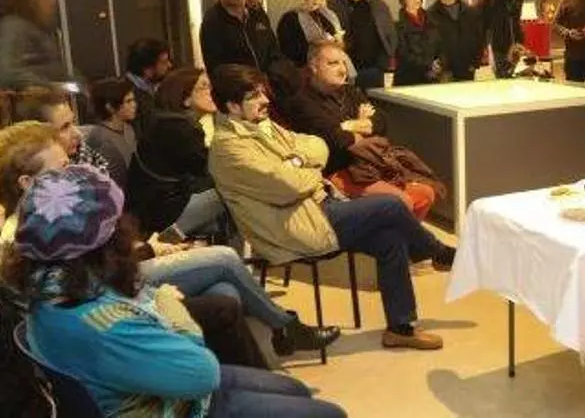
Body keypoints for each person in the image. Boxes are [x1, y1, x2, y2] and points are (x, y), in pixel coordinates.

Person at [1, 165, 347, 417]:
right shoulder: (104, 321)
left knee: (296, 389)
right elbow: (203, 374)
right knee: (330, 414)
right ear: (107, 238)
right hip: (172, 405)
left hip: (143, 384)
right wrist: (169, 304)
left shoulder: (44, 287)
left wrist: (154, 300)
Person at [0, 121, 340, 360]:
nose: (75, 173)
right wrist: (149, 252)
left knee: (226, 292)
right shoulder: (23, 236)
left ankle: (240, 387)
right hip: (111, 299)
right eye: (62, 169)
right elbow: (94, 279)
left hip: (117, 278)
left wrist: (147, 249)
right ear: (27, 183)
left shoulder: (57, 214)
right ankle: (284, 329)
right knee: (223, 258)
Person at [209, 63, 457, 350]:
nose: (265, 100)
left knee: (390, 239)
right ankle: (436, 252)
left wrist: (297, 162)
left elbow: (318, 145)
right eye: (254, 96)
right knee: (390, 206)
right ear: (232, 106)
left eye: (263, 92)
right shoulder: (230, 148)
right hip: (294, 227)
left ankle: (401, 328)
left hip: (317, 207)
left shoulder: (261, 125)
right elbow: (288, 186)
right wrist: (303, 168)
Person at [287, 42, 440, 220]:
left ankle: (398, 236)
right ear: (314, 67)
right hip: (336, 172)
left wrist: (348, 125)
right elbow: (337, 139)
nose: (342, 70)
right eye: (333, 63)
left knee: (425, 193)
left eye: (344, 63)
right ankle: (389, 236)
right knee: (400, 202)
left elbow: (382, 121)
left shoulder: (349, 91)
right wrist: (362, 124)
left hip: (369, 165)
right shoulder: (302, 101)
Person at [126, 68, 226, 237]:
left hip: (156, 205)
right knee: (234, 190)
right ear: (186, 98)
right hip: (162, 211)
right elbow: (208, 169)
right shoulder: (178, 127)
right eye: (204, 87)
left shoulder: (167, 121)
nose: (212, 92)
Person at [199, 0, 284, 76]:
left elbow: (274, 50)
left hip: (269, 82)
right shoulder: (212, 23)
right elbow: (217, 68)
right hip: (240, 84)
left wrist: (274, 78)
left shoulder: (258, 14)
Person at [327, 0, 396, 90]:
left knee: (375, 102)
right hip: (345, 68)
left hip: (375, 69)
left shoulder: (379, 5)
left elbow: (390, 35)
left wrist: (386, 60)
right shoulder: (332, 6)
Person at [0, 0, 71, 89]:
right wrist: (52, 87)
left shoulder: (38, 29)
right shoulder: (14, 27)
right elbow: (8, 73)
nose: (54, 0)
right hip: (36, 99)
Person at [11, 86, 108, 172]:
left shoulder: (92, 162)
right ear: (35, 136)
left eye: (73, 122)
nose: (78, 134)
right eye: (64, 127)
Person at [277, 0, 350, 71]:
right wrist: (319, 46)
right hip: (307, 70)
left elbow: (339, 40)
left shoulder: (327, 15)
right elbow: (290, 51)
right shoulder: (289, 19)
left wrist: (339, 42)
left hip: (335, 67)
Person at [426, 0, 484, 82]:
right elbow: (428, 44)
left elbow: (479, 38)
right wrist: (434, 63)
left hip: (467, 70)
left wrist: (474, 63)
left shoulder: (470, 12)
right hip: (443, 73)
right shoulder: (430, 15)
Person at [85, 78, 137, 188]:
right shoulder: (101, 139)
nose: (134, 105)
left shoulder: (128, 128)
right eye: (128, 101)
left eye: (133, 100)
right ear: (110, 107)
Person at [478, 0, 525, 78]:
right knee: (500, 85)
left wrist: (520, 43)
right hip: (497, 52)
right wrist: (486, 51)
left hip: (515, 51)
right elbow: (481, 27)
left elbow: (516, 23)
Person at [394, 0, 443, 87]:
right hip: (409, 78)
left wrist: (439, 63)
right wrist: (428, 65)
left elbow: (440, 46)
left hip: (433, 77)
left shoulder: (432, 22)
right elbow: (404, 54)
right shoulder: (398, 26)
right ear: (404, 0)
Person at [125, 38, 173, 138]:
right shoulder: (127, 95)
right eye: (164, 62)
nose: (169, 65)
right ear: (147, 68)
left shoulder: (152, 89)